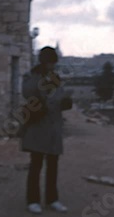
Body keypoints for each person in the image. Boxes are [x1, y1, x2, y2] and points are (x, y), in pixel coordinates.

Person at [20, 46, 72, 214]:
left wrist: (65, 102)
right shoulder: (33, 76)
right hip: (38, 126)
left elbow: (59, 97)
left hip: (53, 127)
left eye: (53, 63)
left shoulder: (55, 77)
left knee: (53, 165)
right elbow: (27, 93)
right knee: (36, 164)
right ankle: (33, 200)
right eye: (49, 63)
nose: (52, 66)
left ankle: (52, 199)